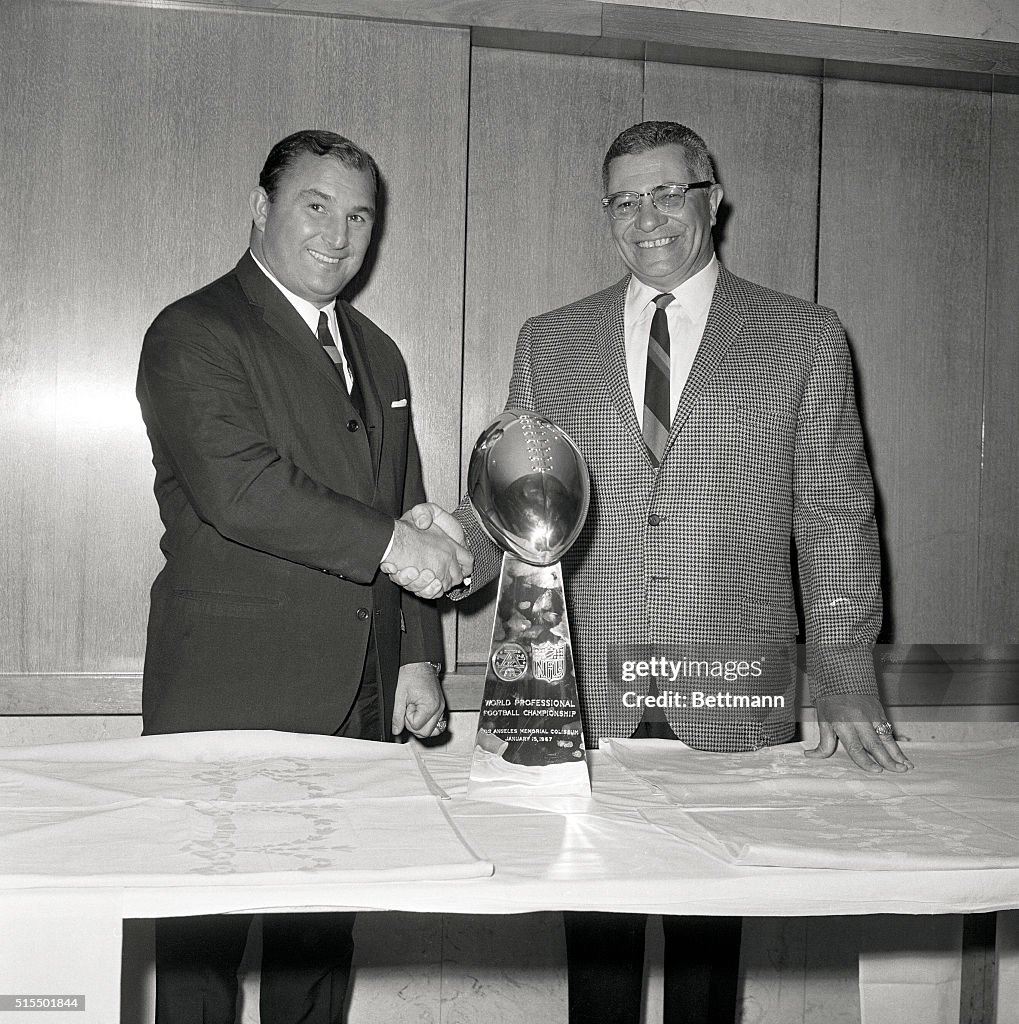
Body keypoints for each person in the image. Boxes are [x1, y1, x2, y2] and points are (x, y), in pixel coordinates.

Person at [397, 121, 912, 1024]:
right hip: (582, 686)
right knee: (596, 948)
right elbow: (519, 498)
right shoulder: (549, 340)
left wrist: (842, 670)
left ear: (712, 198)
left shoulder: (802, 335)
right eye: (625, 200)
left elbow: (833, 511)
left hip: (733, 685)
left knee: (707, 954)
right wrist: (447, 556)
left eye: (669, 192)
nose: (649, 218)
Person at [136, 129, 472, 1024]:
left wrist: (417, 657)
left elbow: (403, 503)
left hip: (357, 694)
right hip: (227, 690)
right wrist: (399, 547)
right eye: (314, 206)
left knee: (321, 944)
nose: (338, 234)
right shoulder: (194, 330)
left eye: (359, 215)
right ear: (261, 207)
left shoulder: (382, 352)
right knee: (203, 950)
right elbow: (239, 489)